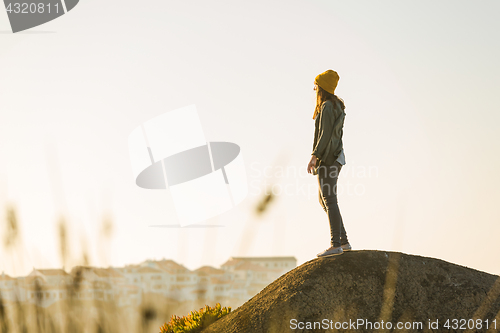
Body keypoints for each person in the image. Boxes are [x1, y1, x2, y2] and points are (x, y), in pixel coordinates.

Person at [307, 69, 351, 257]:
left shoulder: (326, 107)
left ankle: (336, 244)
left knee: (329, 200)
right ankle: (343, 241)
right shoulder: (336, 106)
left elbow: (324, 135)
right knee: (324, 199)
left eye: (316, 84)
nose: (314, 88)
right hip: (337, 157)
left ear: (322, 87)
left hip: (329, 158)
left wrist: (315, 156)